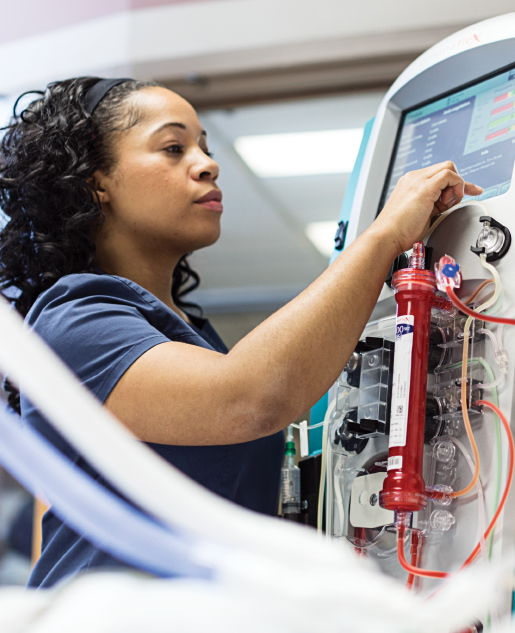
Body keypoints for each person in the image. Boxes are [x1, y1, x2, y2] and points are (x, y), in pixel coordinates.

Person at [0, 77, 482, 588]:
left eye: (205, 147)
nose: (207, 163)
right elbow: (251, 398)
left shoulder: (189, 334)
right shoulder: (73, 320)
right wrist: (383, 235)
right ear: (96, 183)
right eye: (172, 148)